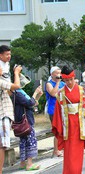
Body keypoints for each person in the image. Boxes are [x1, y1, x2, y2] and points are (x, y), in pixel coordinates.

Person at [52, 65, 85, 174]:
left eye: (71, 80)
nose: (69, 82)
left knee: (78, 154)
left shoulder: (83, 91)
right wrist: (58, 128)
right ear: (63, 79)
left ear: (74, 77)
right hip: (67, 127)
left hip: (80, 125)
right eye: (66, 80)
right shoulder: (61, 93)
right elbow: (58, 112)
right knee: (68, 154)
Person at [12, 81, 43, 171]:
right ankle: (29, 164)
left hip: (22, 121)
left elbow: (32, 103)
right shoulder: (18, 93)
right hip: (26, 121)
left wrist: (38, 96)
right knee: (30, 141)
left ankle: (23, 163)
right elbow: (29, 103)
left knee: (23, 142)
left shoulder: (18, 93)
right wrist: (35, 93)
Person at [0, 45, 22, 174]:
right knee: (2, 144)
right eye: (7, 54)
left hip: (5, 107)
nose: (9, 56)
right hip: (3, 111)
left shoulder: (6, 66)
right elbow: (16, 86)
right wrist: (16, 73)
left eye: (10, 54)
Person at [45, 66, 65, 158]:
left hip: (62, 108)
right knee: (57, 130)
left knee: (64, 129)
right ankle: (56, 150)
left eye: (60, 73)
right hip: (53, 109)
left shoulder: (63, 83)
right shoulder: (49, 83)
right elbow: (53, 93)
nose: (58, 75)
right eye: (56, 73)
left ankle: (61, 147)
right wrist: (57, 83)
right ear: (52, 74)